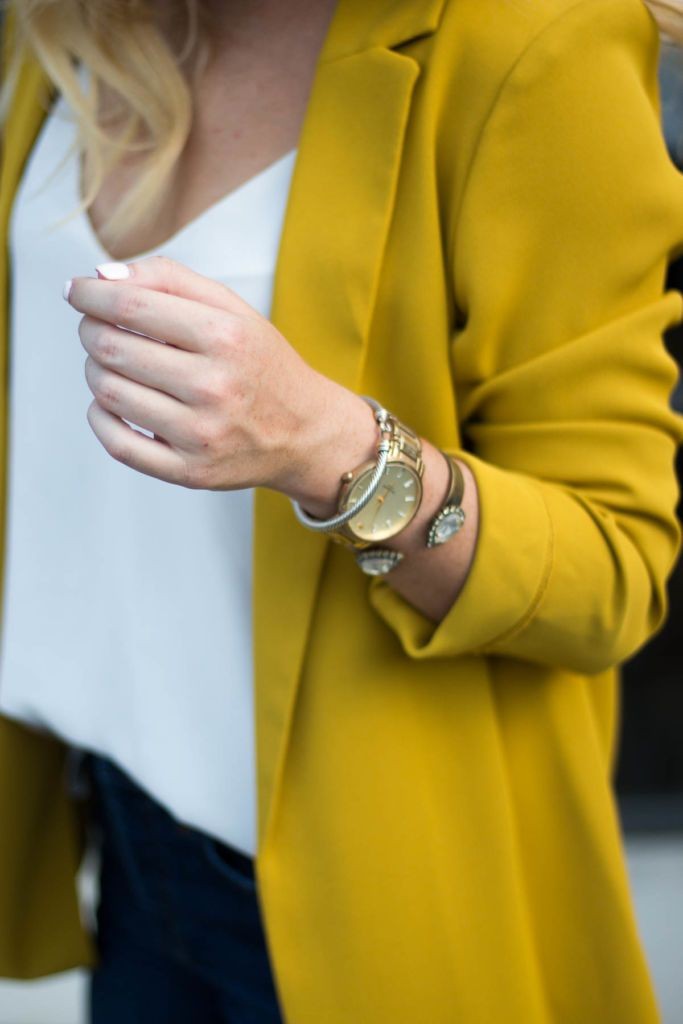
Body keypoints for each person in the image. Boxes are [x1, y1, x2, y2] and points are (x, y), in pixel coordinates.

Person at [0, 0, 682, 1021]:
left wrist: (331, 451)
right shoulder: (64, 22)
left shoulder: (535, 39)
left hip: (371, 892)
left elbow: (610, 571)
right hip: (120, 830)